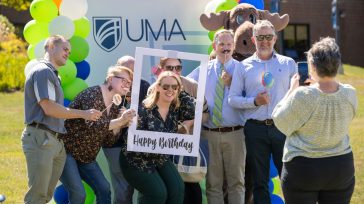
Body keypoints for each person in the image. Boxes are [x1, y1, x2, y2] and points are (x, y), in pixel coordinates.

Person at [272, 37, 357, 204]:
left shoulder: (303, 95)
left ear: (312, 65)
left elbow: (279, 120)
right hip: (340, 167)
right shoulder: (350, 93)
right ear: (337, 63)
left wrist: (292, 89)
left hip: (303, 169)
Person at [21, 35, 102, 204]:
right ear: (51, 46)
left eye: (70, 51)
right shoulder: (42, 71)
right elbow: (49, 108)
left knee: (45, 196)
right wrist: (83, 113)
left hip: (54, 141)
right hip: (41, 137)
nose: (68, 54)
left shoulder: (52, 74)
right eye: (65, 49)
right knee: (37, 196)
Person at [228, 20, 296, 204]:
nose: (264, 41)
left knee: (289, 179)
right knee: (259, 181)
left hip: (282, 128)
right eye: (260, 37)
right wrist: (254, 101)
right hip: (255, 130)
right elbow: (232, 99)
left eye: (268, 37)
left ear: (274, 38)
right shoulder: (244, 66)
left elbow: (297, 97)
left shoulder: (288, 63)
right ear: (253, 39)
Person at [59, 65, 136, 204]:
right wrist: (119, 121)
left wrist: (120, 125)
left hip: (87, 157)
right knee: (79, 195)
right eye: (124, 81)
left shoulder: (116, 104)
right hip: (66, 152)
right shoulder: (92, 94)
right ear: (111, 79)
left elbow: (108, 141)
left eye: (129, 83)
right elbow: (93, 126)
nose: (127, 85)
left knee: (104, 189)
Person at [188, 29, 246, 204]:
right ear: (214, 46)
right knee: (213, 184)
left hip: (235, 133)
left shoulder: (242, 69)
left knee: (237, 182)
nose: (225, 48)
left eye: (229, 44)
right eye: (222, 44)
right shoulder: (204, 69)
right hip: (210, 133)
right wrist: (165, 75)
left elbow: (251, 98)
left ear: (234, 46)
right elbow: (185, 86)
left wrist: (233, 83)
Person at [120, 71, 195, 204]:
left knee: (177, 189)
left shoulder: (176, 108)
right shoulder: (143, 110)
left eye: (174, 87)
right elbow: (132, 142)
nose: (170, 90)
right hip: (136, 160)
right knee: (158, 194)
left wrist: (178, 91)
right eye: (165, 86)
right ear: (158, 87)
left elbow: (193, 107)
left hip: (159, 158)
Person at [152, 57, 209, 204]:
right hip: (163, 149)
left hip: (186, 147)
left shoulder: (192, 86)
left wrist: (189, 123)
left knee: (191, 190)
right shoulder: (154, 88)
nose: (175, 71)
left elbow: (206, 113)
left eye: (178, 68)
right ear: (162, 68)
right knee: (171, 191)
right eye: (170, 68)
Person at [103, 56, 150, 204]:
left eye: (135, 71)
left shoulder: (145, 86)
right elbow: (102, 119)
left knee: (146, 187)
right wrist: (119, 117)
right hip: (115, 144)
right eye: (128, 71)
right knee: (123, 191)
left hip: (139, 144)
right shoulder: (106, 88)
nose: (132, 75)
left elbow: (150, 114)